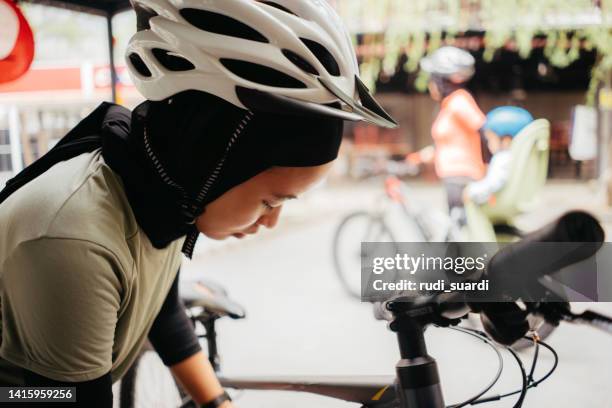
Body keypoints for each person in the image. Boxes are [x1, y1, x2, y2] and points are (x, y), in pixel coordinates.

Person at [0, 1, 396, 407]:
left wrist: (218, 402)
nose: (273, 221)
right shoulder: (75, 239)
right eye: (270, 201)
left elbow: (163, 311)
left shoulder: (160, 193)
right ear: (212, 161)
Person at [408, 46, 486, 223]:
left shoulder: (459, 100)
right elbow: (451, 144)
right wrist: (419, 157)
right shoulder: (450, 104)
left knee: (459, 231)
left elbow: (483, 131)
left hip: (462, 177)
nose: (430, 85)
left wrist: (490, 168)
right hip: (453, 177)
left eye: (432, 79)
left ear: (441, 81)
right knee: (456, 230)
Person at [464, 106, 534, 205]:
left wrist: (471, 190)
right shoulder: (521, 158)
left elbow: (493, 183)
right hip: (517, 201)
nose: (488, 144)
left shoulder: (503, 158)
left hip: (500, 204)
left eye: (490, 139)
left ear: (506, 140)